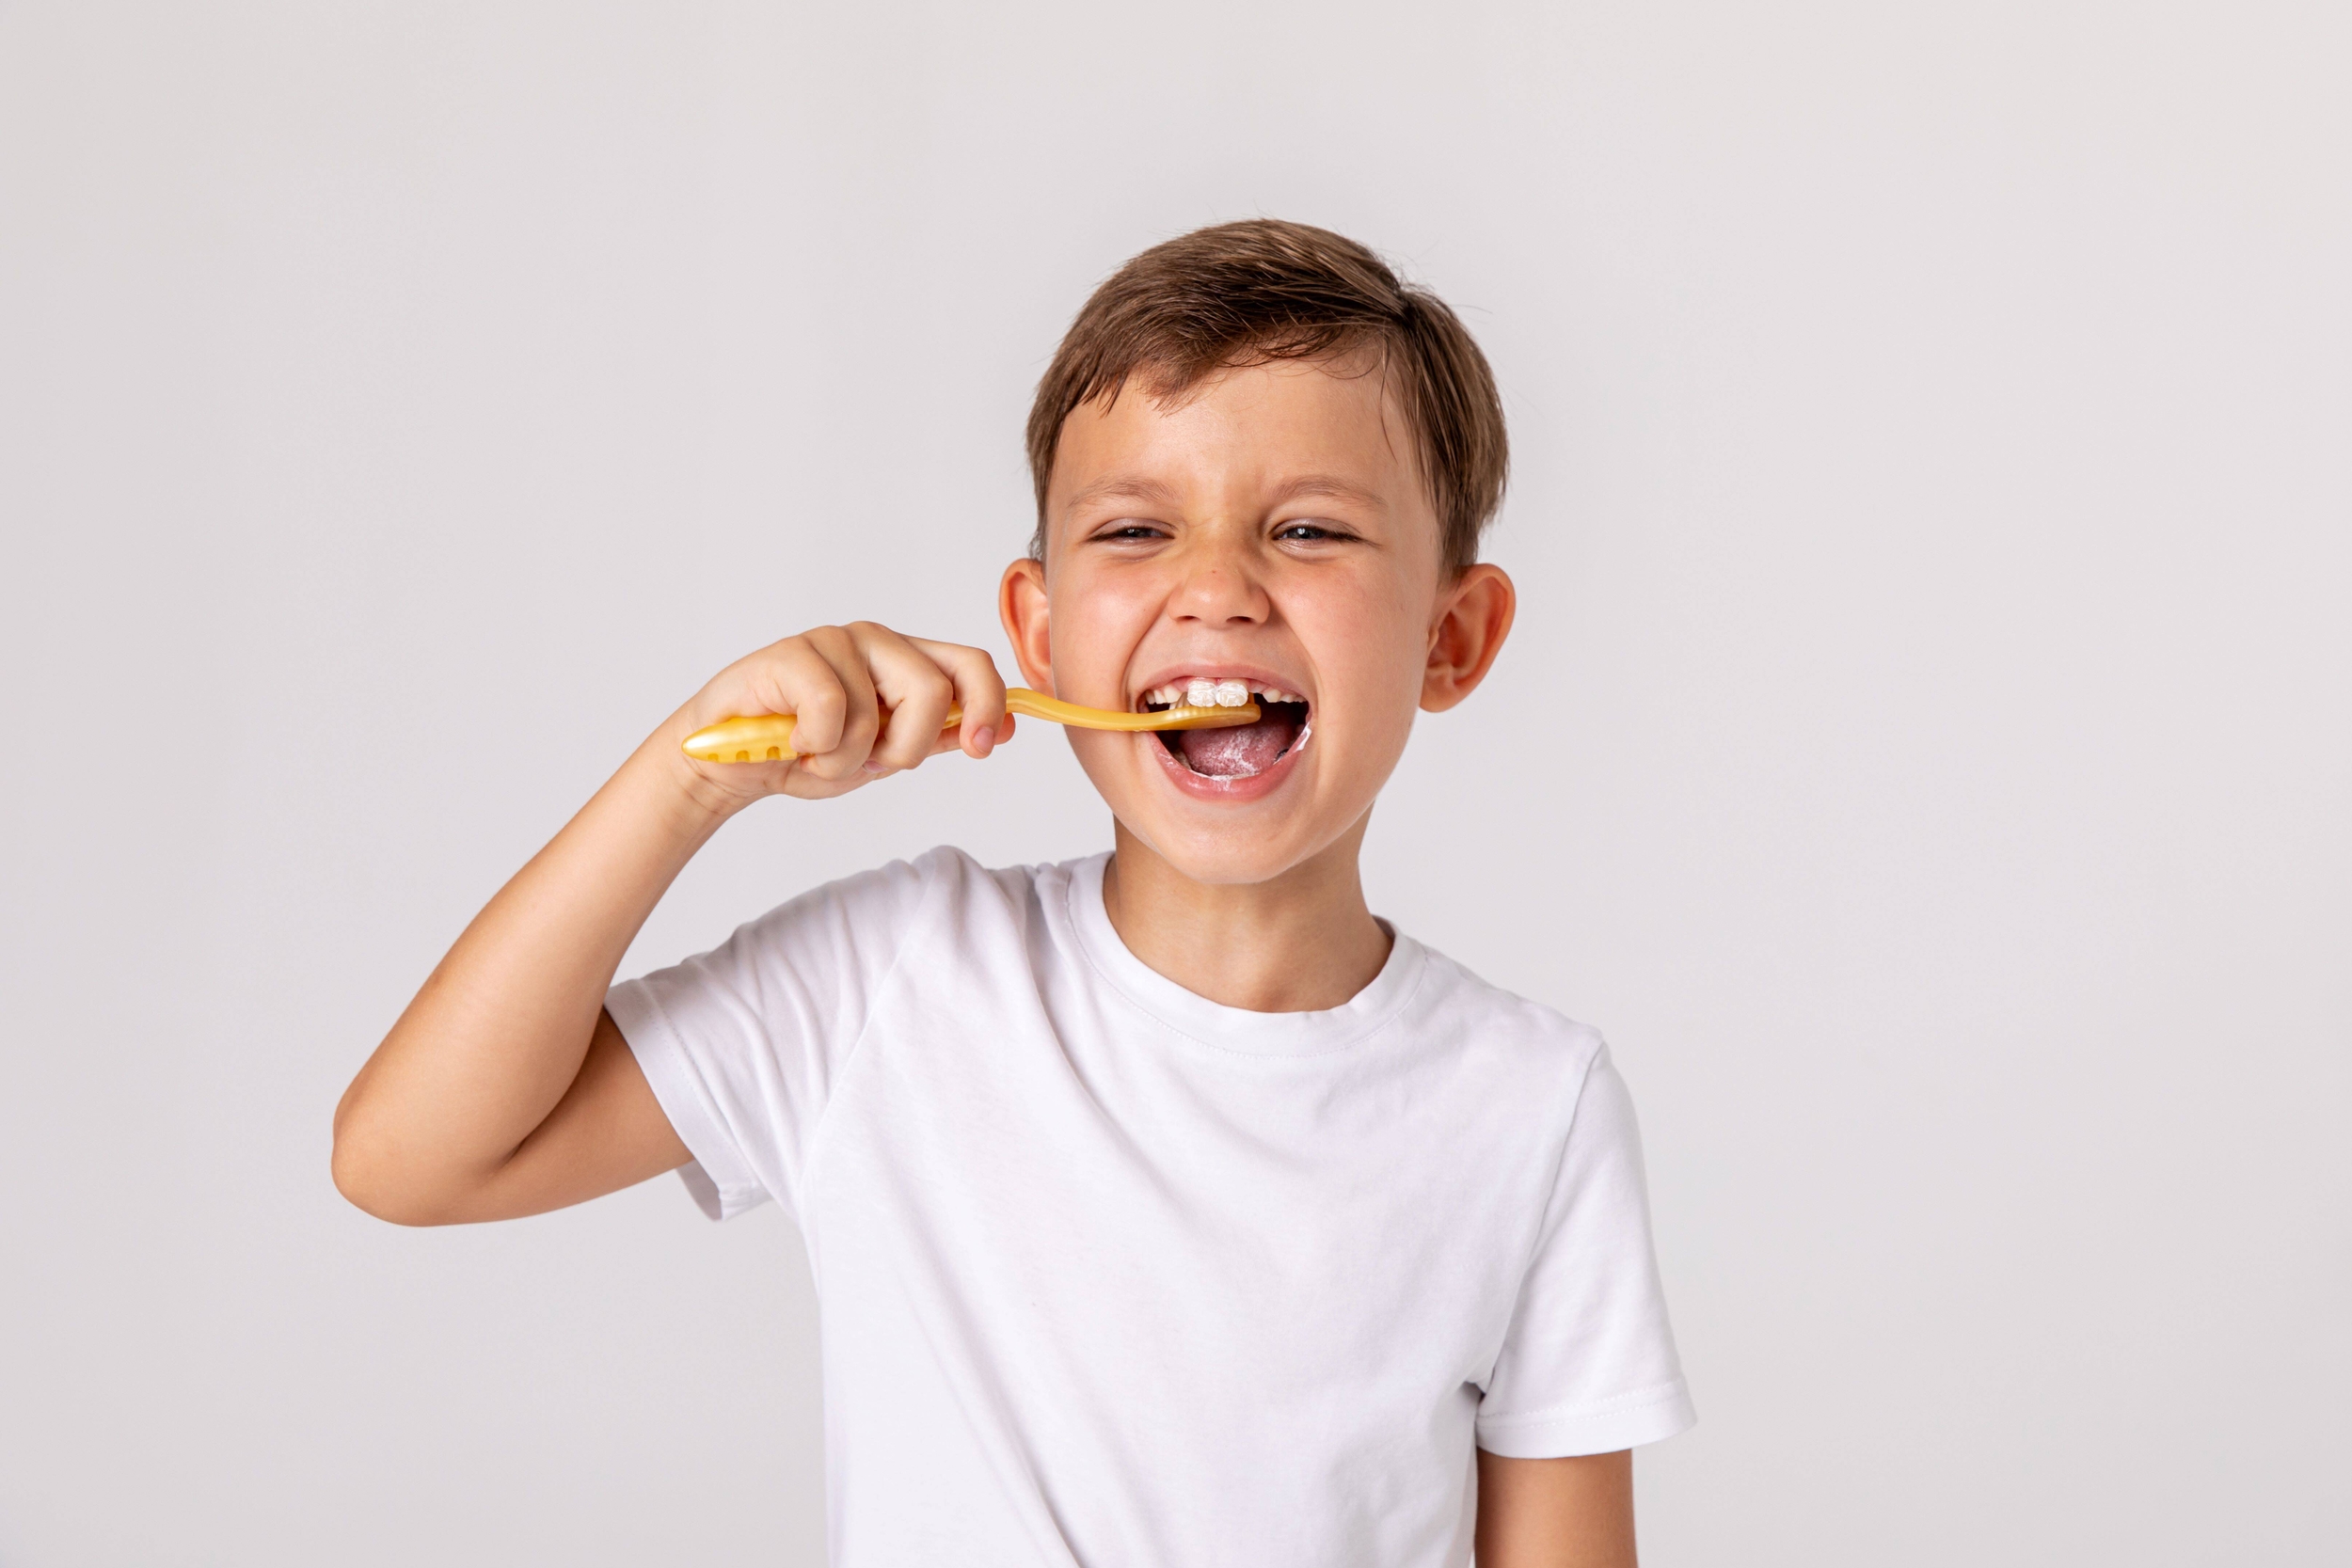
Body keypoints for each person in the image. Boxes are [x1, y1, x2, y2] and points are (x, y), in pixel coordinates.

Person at [332, 218, 1694, 1566]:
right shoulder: (893, 981)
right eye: (1137, 530)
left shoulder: (1534, 1103)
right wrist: (692, 776)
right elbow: (411, 1157)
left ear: (1453, 639)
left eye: (1308, 529)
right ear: (1041, 631)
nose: (1215, 591)